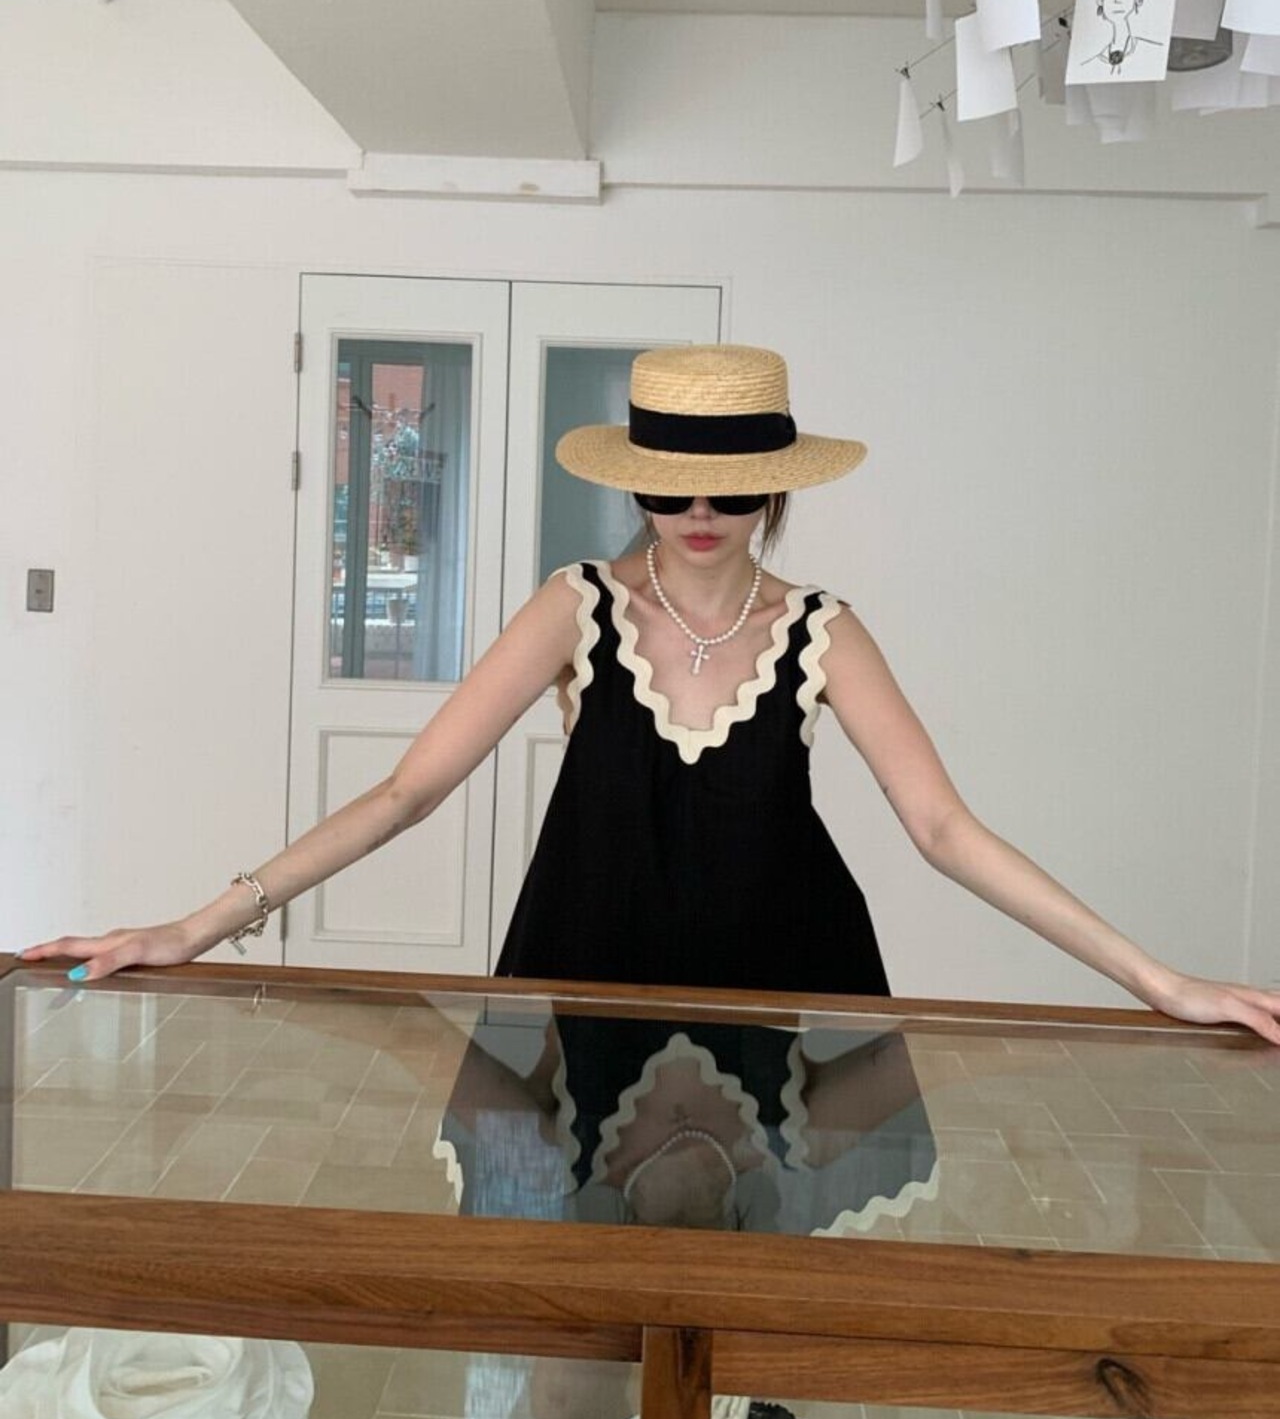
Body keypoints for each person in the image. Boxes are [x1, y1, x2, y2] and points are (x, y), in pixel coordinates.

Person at [20, 342, 1280, 1042]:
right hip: (587, 968)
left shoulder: (823, 628)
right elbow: (407, 790)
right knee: (574, 1311)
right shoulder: (574, 605)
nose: (697, 509)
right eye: (668, 482)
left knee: (758, 1297)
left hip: (784, 981)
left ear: (775, 487)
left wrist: (1156, 979)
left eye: (729, 484)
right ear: (635, 482)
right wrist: (196, 925)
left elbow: (943, 828)